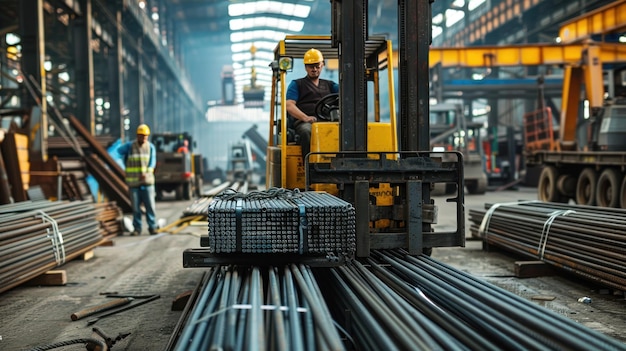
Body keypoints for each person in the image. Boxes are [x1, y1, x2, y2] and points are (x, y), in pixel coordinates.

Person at [286, 48, 339, 160]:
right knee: (307, 131)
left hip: (327, 121)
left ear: (322, 65)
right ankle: (309, 166)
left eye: (317, 65)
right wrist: (305, 118)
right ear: (306, 67)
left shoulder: (331, 85)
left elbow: (346, 96)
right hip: (305, 122)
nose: (314, 69)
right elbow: (289, 105)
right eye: (311, 66)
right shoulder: (297, 84)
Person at [118, 124, 158, 235]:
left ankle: (152, 227)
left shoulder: (150, 147)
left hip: (147, 182)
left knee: (150, 207)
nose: (144, 138)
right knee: (136, 208)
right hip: (134, 182)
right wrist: (123, 166)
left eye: (145, 136)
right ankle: (137, 228)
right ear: (137, 136)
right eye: (141, 136)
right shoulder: (129, 146)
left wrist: (148, 172)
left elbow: (152, 162)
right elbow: (118, 153)